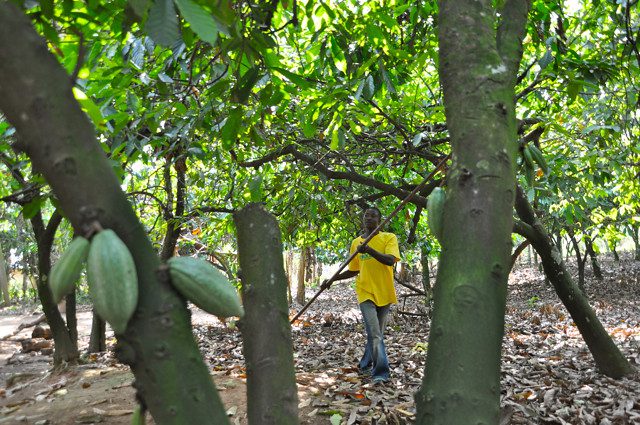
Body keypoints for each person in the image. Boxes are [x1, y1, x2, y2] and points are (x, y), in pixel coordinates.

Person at [322, 207, 400, 383]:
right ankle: (381, 372)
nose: (369, 218)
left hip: (384, 291)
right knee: (374, 332)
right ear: (362, 220)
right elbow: (353, 270)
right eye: (366, 215)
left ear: (379, 220)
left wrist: (369, 250)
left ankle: (365, 364)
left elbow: (390, 260)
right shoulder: (356, 242)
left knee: (376, 334)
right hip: (365, 291)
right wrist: (332, 280)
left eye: (373, 215)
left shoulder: (388, 238)